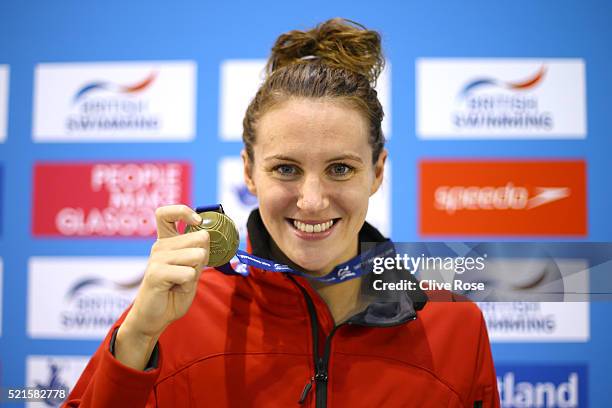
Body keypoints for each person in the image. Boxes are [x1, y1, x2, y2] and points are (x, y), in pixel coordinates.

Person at [65, 18, 500, 407]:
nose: (311, 200)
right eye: (286, 169)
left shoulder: (453, 324)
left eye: (341, 169)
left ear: (377, 171)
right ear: (250, 172)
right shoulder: (173, 315)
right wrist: (138, 337)